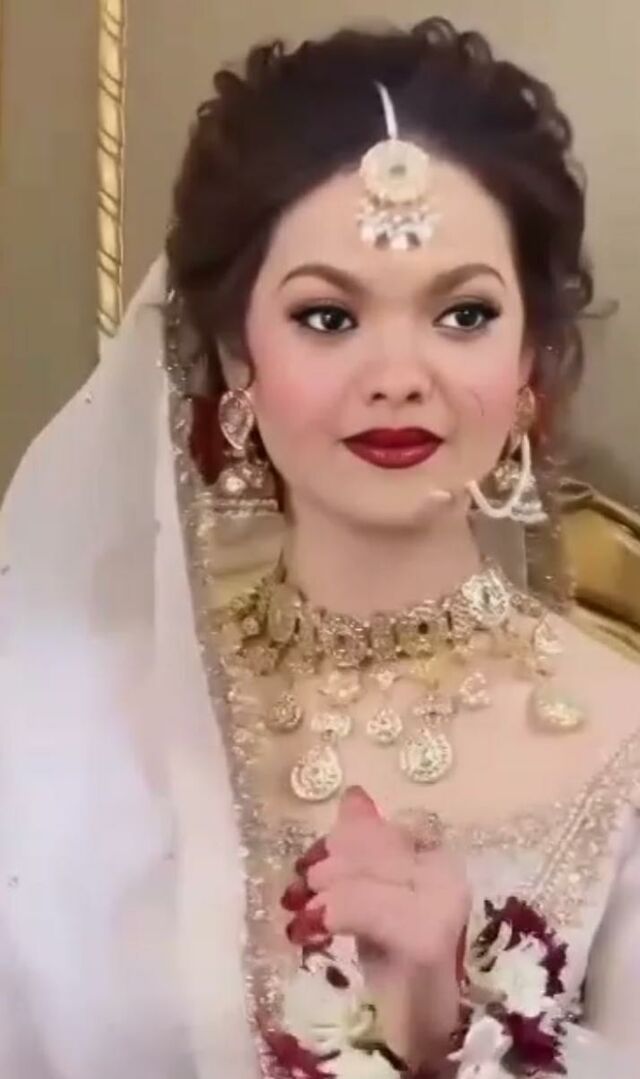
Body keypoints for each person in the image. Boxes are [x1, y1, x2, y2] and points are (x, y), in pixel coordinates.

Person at [1, 16, 638, 1079]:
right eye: (329, 317)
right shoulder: (69, 715)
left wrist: (444, 1030)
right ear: (233, 357)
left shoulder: (625, 742)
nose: (398, 375)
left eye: (463, 313)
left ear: (530, 355)